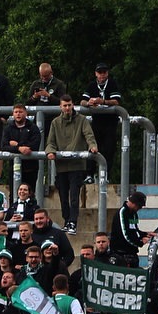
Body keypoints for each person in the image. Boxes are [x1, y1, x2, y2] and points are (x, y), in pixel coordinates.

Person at [45, 94, 98, 234]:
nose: (67, 108)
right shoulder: (55, 122)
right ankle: (67, 220)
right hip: (61, 165)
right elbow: (50, 141)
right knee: (63, 196)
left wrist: (92, 146)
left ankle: (73, 222)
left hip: (77, 165)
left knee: (74, 196)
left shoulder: (82, 120)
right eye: (65, 105)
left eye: (69, 105)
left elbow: (89, 135)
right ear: (60, 106)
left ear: (72, 105)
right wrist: (50, 151)